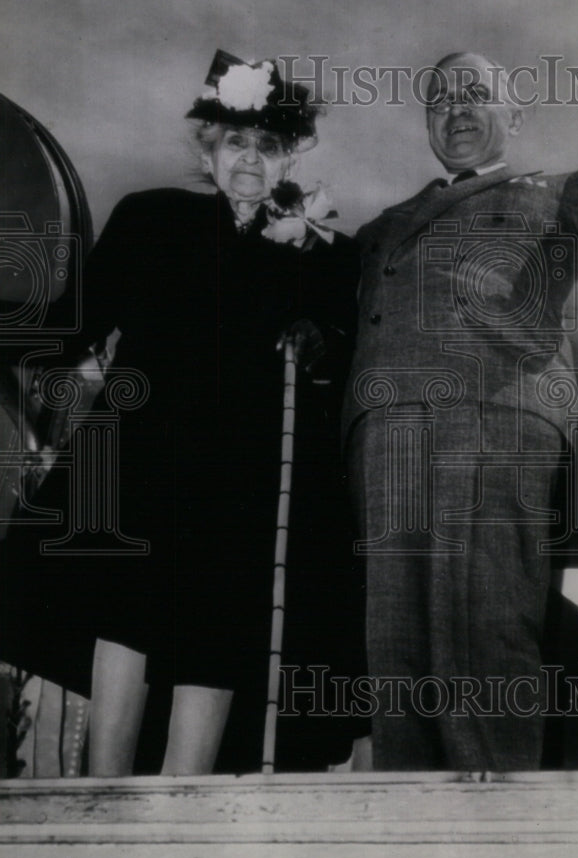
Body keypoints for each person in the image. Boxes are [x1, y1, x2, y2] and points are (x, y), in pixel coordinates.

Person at [342, 0, 578, 771]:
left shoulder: (557, 192)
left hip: (492, 416)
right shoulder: (379, 227)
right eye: (440, 98)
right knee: (396, 655)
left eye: (475, 93)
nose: (456, 109)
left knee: (485, 630)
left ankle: (496, 844)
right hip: (387, 435)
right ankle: (411, 844)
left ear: (515, 112)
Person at [1, 52, 364, 775]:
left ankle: (181, 802)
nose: (250, 159)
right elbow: (75, 324)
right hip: (146, 465)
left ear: (292, 153)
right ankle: (103, 792)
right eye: (236, 142)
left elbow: (346, 348)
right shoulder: (151, 218)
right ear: (209, 148)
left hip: (243, 488)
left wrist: (321, 335)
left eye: (267, 144)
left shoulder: (323, 254)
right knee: (128, 613)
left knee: (217, 628)